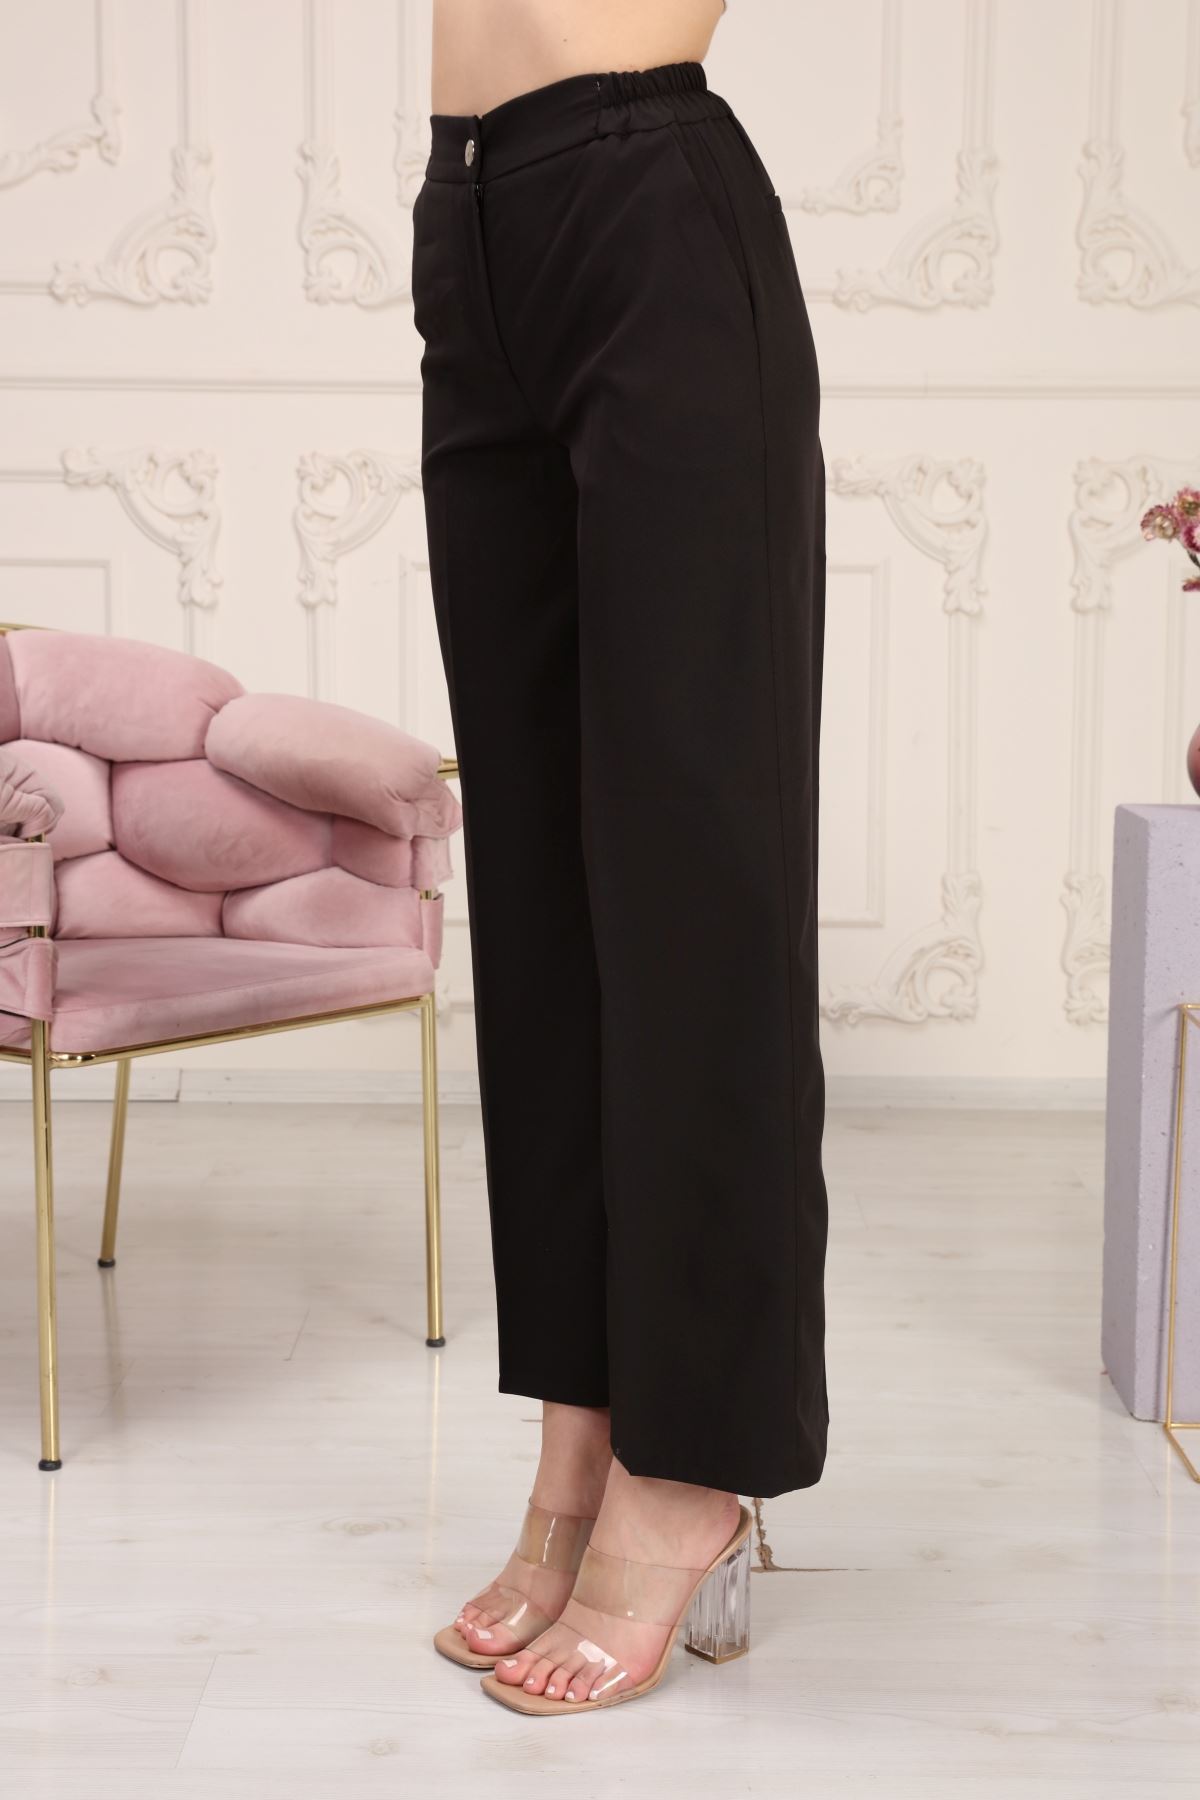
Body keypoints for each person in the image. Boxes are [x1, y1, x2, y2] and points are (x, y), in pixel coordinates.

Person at [413, 0, 828, 1714]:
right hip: (470, 222)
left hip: (650, 196)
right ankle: (580, 1436)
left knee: (692, 886)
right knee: (542, 900)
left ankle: (693, 1469)